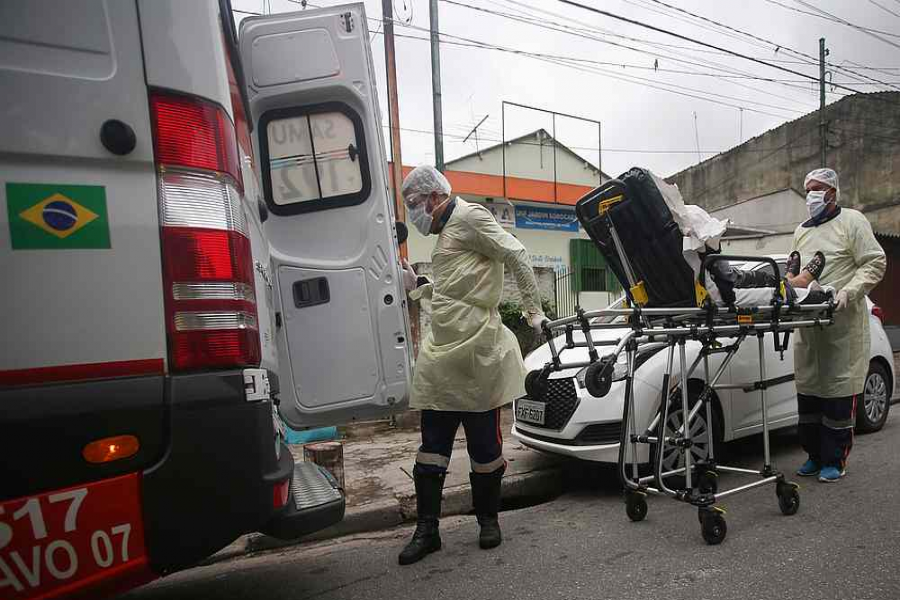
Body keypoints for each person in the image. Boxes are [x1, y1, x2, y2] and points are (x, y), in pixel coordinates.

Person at [397, 165, 547, 565]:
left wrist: (534, 311)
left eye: (414, 204)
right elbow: (453, 294)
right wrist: (419, 289)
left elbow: (515, 252)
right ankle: (427, 530)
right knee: (432, 448)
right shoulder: (447, 234)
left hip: (479, 351)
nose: (412, 213)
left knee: (484, 447)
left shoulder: (470, 216)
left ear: (433, 198)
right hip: (442, 353)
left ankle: (488, 521)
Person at [792, 168, 886, 483]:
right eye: (808, 190)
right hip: (809, 327)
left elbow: (875, 261)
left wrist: (849, 292)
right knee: (808, 394)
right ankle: (813, 455)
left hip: (841, 324)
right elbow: (798, 272)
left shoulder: (852, 222)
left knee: (837, 395)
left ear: (833, 192)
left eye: (818, 189)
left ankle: (834, 460)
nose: (811, 196)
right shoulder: (801, 231)